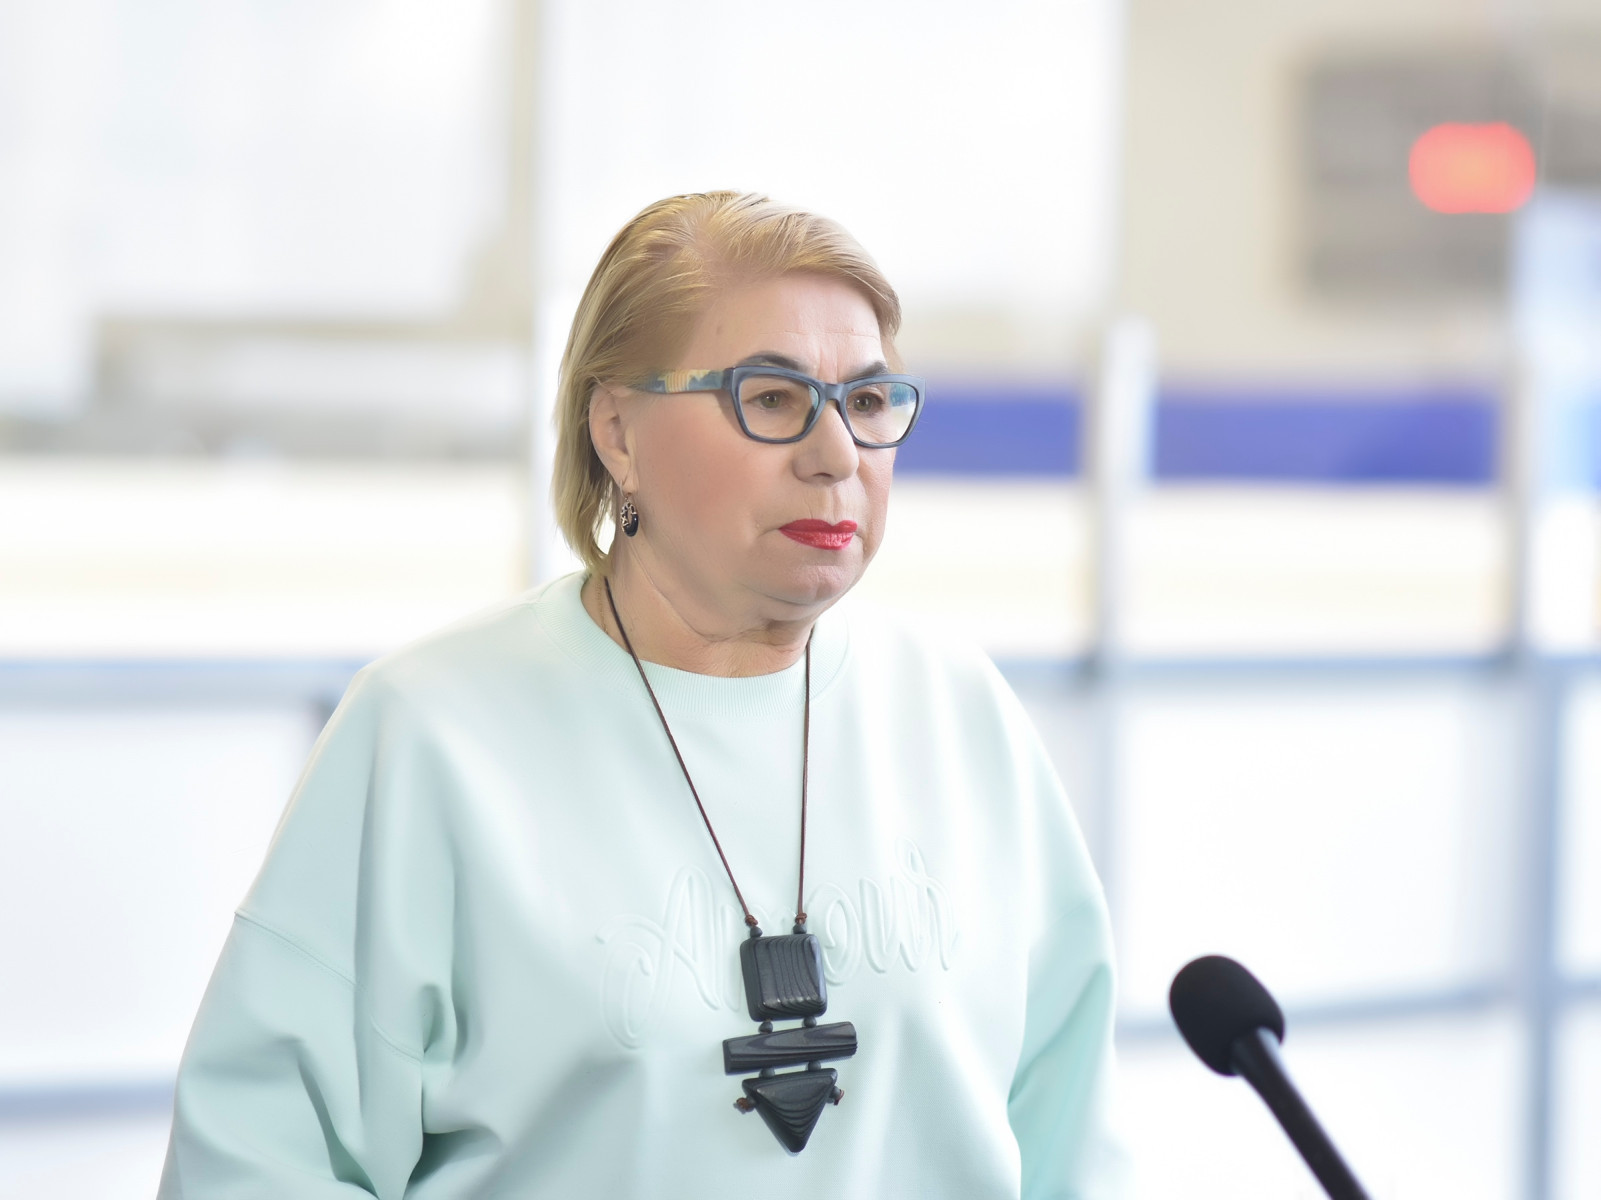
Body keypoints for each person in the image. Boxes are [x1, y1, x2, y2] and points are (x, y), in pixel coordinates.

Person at [158, 191, 1125, 1198]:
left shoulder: (958, 717)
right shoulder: (430, 736)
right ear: (617, 432)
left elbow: (1075, 1145)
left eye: (869, 402)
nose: (836, 454)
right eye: (771, 398)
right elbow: (255, 1164)